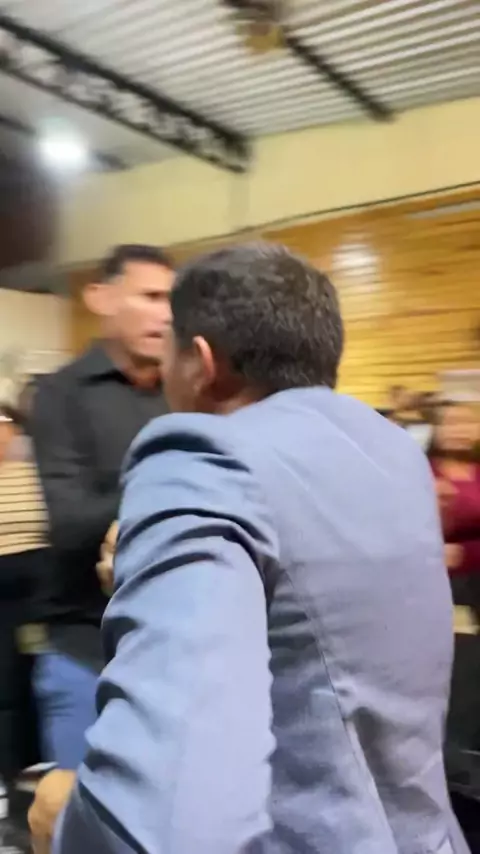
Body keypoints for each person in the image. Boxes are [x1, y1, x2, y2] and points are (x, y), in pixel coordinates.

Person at [31, 243, 467, 854]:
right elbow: (316, 609)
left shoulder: (203, 456)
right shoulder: (394, 454)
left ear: (201, 361)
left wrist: (68, 828)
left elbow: (168, 824)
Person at [30, 244, 173, 772]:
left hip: (176, 650)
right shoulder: (61, 393)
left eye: (173, 300)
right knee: (77, 807)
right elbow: (69, 523)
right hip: (87, 651)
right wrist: (173, 481)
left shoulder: (186, 392)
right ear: (101, 297)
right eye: (151, 296)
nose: (167, 314)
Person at [0, 403, 49, 852]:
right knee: (9, 697)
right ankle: (18, 801)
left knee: (45, 689)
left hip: (45, 593)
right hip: (3, 598)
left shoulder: (38, 467)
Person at [428, 401, 480, 813]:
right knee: (450, 672)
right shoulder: (421, 471)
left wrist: (463, 551)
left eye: (469, 422)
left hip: (475, 582)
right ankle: (450, 767)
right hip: (438, 587)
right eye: (452, 421)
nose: (460, 429)